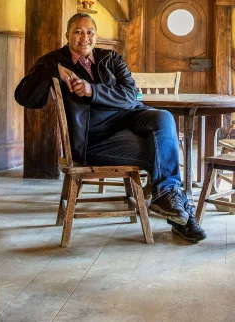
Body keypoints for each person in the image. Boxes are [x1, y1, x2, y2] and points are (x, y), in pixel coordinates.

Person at [14, 13, 207, 243]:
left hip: (130, 118)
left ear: (96, 36)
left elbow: (131, 94)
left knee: (164, 118)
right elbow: (25, 97)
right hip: (95, 139)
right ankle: (181, 216)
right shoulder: (53, 61)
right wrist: (53, 70)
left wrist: (91, 90)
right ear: (67, 35)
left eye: (89, 32)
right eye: (78, 31)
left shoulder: (110, 58)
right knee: (163, 150)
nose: (84, 37)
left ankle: (168, 199)